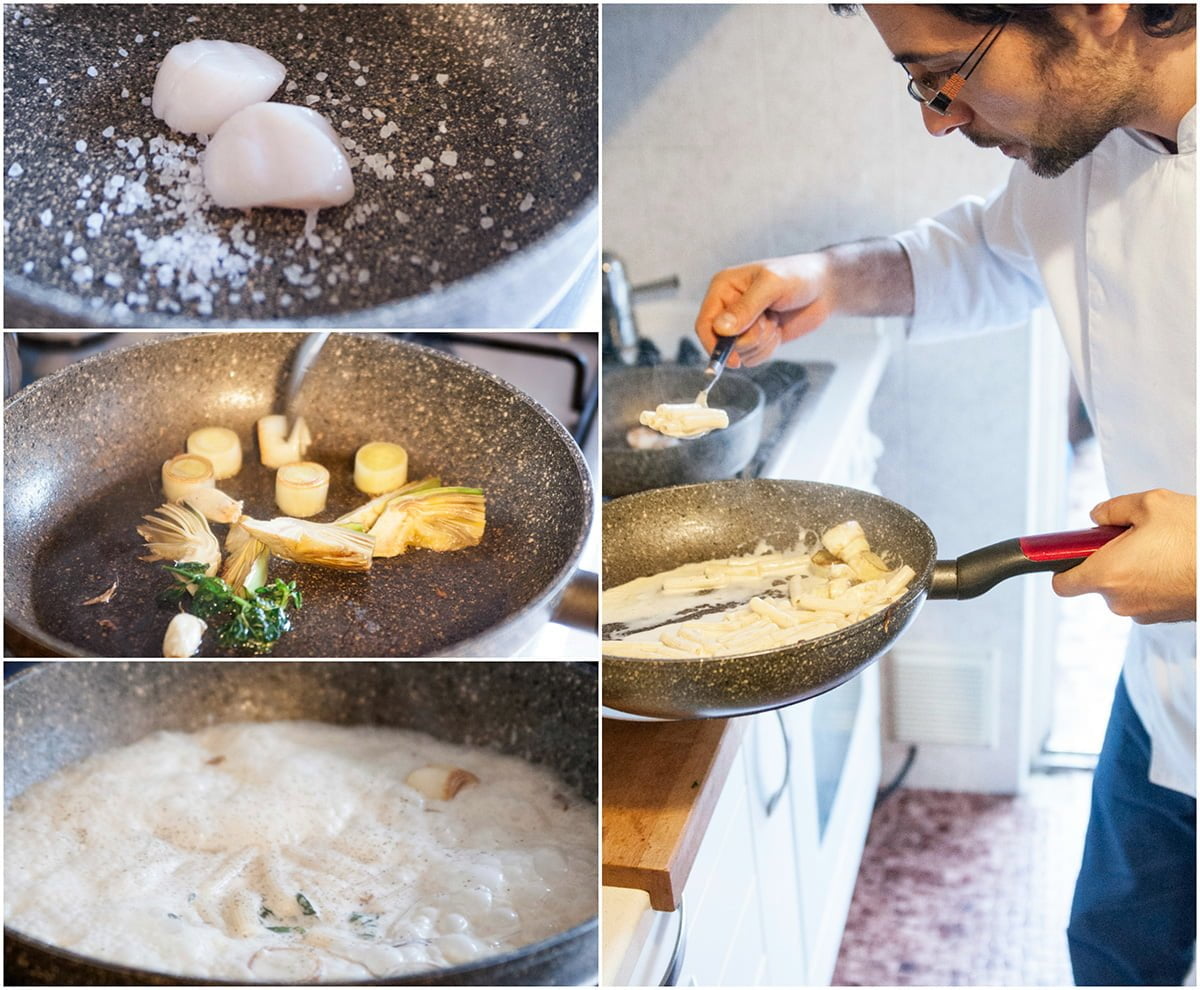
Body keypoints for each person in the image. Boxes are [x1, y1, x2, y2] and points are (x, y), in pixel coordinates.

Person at [693, 4, 1196, 985]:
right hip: (1166, 690)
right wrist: (831, 278)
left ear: (1098, 9)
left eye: (946, 71)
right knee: (1112, 951)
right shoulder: (1095, 142)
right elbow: (992, 252)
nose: (937, 117)